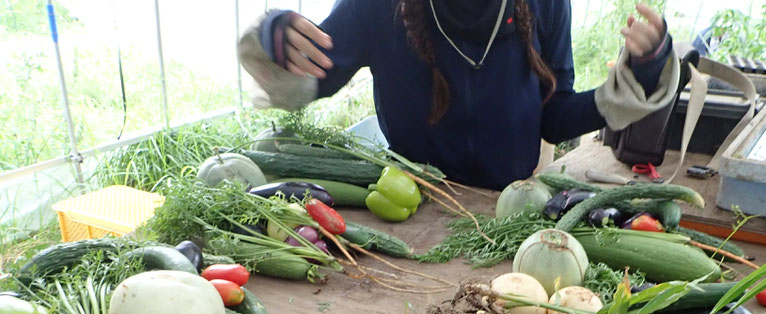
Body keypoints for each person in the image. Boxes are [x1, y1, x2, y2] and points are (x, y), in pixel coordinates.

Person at [239, 1, 680, 191]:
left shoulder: (544, 2)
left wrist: (640, 78)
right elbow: (312, 79)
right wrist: (274, 35)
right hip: (410, 207)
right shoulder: (376, 5)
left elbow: (554, 116)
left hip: (508, 211)